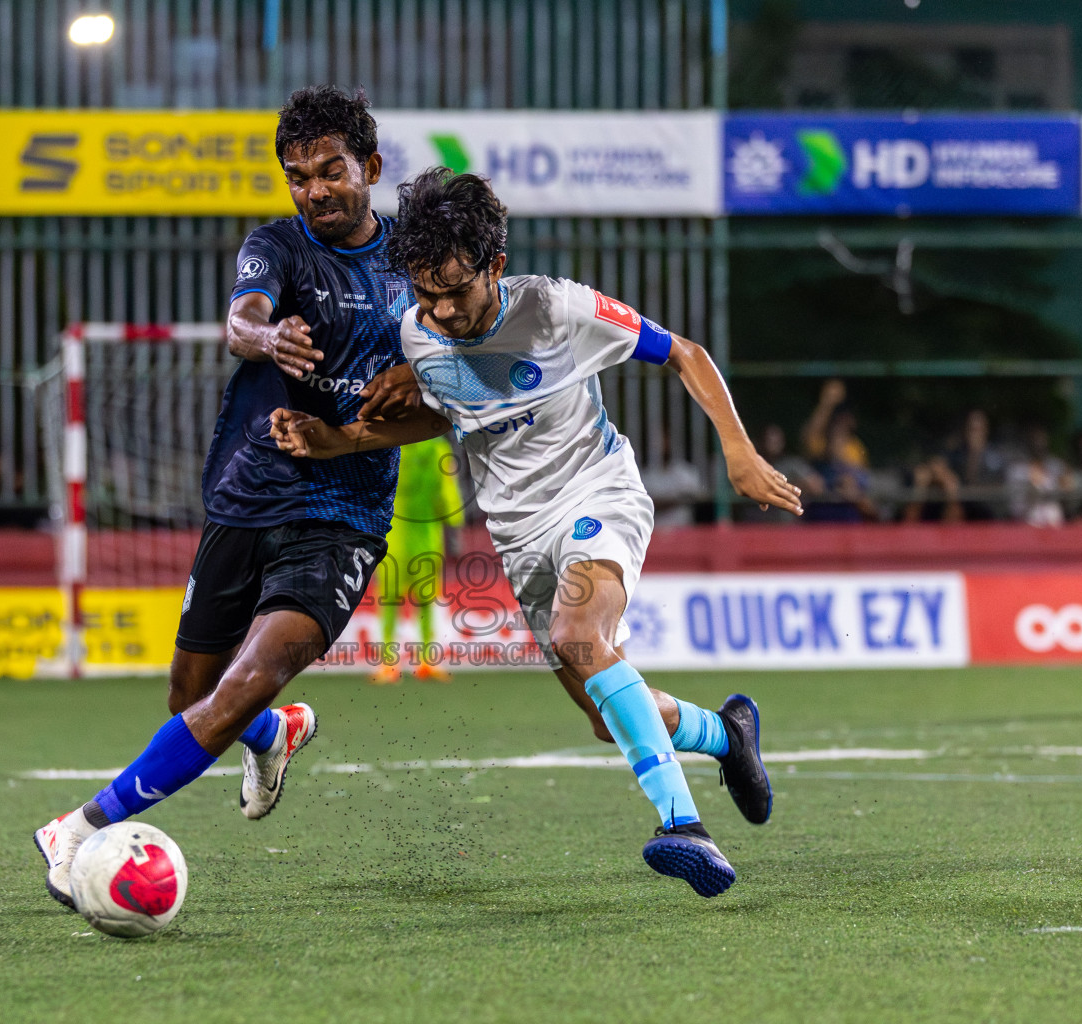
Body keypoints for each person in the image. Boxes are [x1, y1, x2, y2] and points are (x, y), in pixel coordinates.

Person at [271, 169, 800, 897]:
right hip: (518, 537)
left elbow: (684, 352)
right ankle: (727, 734)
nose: (443, 310)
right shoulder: (417, 332)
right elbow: (452, 410)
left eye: (457, 289)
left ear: (494, 263)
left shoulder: (557, 308)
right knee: (599, 713)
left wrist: (738, 451)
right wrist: (341, 440)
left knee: (580, 636)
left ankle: (684, 827)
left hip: (596, 494)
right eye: (427, 293)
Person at [34, 86, 422, 907]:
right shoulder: (276, 245)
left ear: (371, 169)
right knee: (191, 696)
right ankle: (273, 733)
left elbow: (445, 407)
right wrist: (268, 335)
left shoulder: (413, 273)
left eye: (331, 171)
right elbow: (241, 320)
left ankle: (79, 828)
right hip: (247, 496)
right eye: (298, 176)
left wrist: (391, 406)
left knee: (250, 673)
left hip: (342, 519)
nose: (314, 189)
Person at [370, 434, 466, 684]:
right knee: (417, 598)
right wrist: (455, 521)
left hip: (395, 531)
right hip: (418, 532)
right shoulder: (436, 447)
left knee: (393, 599)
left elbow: (372, 486)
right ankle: (420, 660)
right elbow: (448, 490)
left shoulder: (386, 444)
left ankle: (393, 662)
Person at [1005, 426, 1071, 527]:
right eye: (1035, 439)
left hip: (1054, 525)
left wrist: (1066, 486)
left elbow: (1067, 496)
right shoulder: (1017, 470)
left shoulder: (1057, 466)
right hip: (1027, 525)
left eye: (1041, 439)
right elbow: (1014, 507)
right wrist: (1031, 489)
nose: (1038, 443)